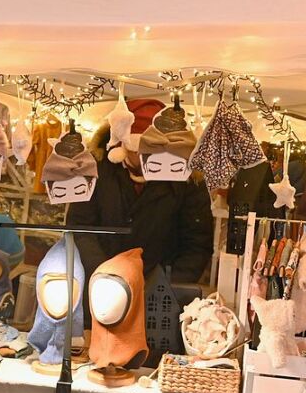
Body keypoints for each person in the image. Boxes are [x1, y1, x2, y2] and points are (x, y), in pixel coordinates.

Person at [67, 121, 213, 317]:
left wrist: (162, 286)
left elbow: (197, 244)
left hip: (158, 303)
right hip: (99, 293)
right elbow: (80, 228)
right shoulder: (96, 170)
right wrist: (103, 274)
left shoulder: (187, 182)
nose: (145, 155)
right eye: (139, 148)